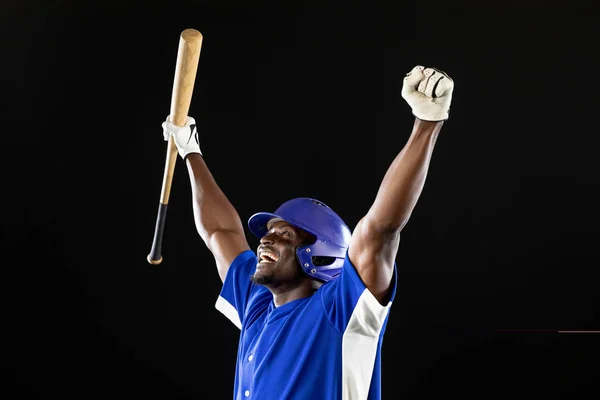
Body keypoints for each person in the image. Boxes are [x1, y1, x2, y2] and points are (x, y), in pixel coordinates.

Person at [161, 65, 454, 400]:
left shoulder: (339, 311)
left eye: (285, 234)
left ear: (320, 254)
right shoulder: (258, 305)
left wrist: (426, 123)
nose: (265, 240)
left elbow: (380, 230)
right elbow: (220, 232)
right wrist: (190, 150)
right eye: (269, 233)